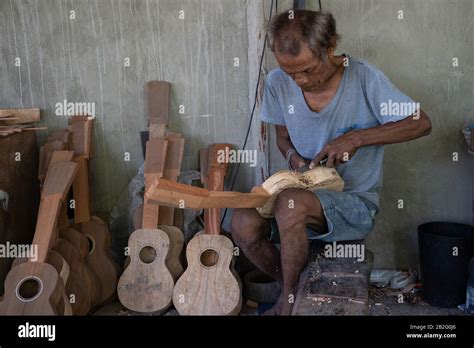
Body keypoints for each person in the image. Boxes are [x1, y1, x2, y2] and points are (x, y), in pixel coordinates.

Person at [230, 10, 432, 315]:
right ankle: (298, 290)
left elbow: (421, 123)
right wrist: (294, 160)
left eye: (308, 70)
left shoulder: (363, 77)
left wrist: (357, 138)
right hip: (299, 197)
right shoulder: (276, 83)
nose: (299, 81)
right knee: (242, 222)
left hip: (353, 202)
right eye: (290, 73)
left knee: (290, 205)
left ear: (330, 47)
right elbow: (282, 138)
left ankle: (286, 301)